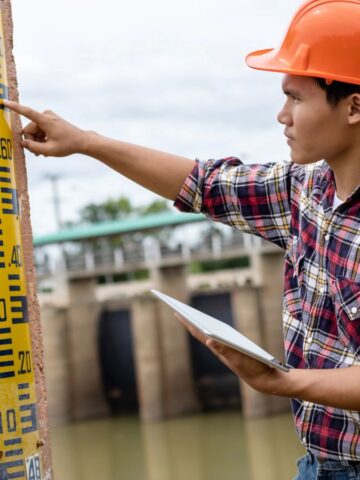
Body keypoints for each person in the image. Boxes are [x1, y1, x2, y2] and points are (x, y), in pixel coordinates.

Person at [4, 0, 360, 477]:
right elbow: (202, 184)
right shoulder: (304, 191)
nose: (282, 115)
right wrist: (87, 142)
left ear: (354, 106)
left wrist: (282, 382)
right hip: (318, 464)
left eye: (296, 97)